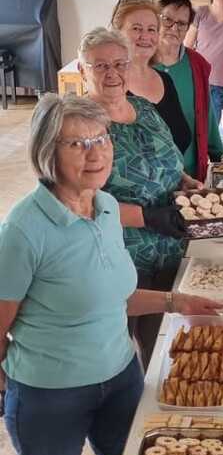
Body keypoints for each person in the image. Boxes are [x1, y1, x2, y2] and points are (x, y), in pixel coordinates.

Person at [0, 95, 222, 455]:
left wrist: (174, 301)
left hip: (119, 376)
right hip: (49, 392)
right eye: (77, 143)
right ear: (47, 153)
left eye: (100, 140)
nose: (95, 153)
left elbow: (114, 293)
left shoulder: (102, 207)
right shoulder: (23, 230)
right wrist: (9, 389)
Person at [79, 27, 191, 366]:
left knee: (164, 342)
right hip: (120, 253)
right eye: (100, 66)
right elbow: (80, 201)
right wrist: (147, 217)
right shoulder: (77, 125)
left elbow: (169, 159)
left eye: (119, 64)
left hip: (171, 244)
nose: (112, 73)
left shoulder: (143, 107)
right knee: (118, 347)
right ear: (83, 70)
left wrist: (186, 182)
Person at [110, 0, 192, 160]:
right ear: (117, 33)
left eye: (152, 29)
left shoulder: (165, 80)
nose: (145, 36)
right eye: (136, 28)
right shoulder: (111, 87)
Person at [155, 0, 223, 181]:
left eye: (181, 23)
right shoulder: (140, 64)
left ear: (188, 28)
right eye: (167, 20)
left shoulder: (196, 63)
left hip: (191, 171)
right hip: (152, 174)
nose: (174, 28)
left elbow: (206, 113)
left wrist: (219, 156)